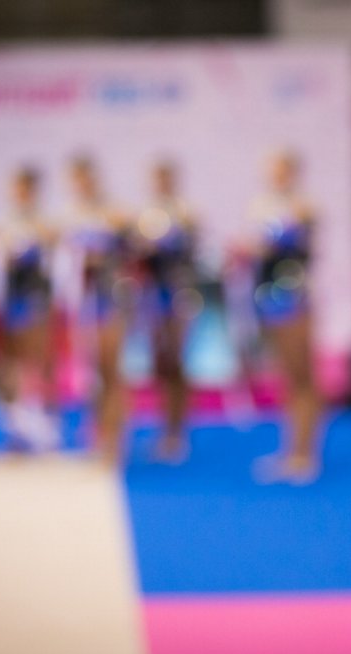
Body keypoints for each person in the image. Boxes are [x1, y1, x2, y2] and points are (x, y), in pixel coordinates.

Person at [240, 149, 324, 485]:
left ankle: (306, 453)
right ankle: (292, 449)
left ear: (293, 173)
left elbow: (287, 239)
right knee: (286, 377)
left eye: (282, 171)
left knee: (302, 374)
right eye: (272, 170)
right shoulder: (263, 206)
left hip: (293, 298)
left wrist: (260, 245)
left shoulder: (303, 207)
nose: (277, 176)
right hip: (268, 297)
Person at [57, 155, 130, 465]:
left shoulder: (112, 212)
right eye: (76, 180)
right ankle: (98, 434)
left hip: (110, 301)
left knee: (111, 372)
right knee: (92, 374)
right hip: (82, 304)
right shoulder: (68, 216)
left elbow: (126, 245)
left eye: (86, 178)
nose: (81, 185)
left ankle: (114, 441)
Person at [0, 165, 60, 452]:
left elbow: (51, 249)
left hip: (35, 301)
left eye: (22, 188)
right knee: (9, 365)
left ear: (32, 191)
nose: (17, 194)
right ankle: (16, 429)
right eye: (14, 188)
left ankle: (47, 427)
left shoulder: (44, 223)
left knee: (39, 362)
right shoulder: (4, 223)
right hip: (9, 301)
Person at [129, 160, 199, 463]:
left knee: (176, 361)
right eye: (156, 180)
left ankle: (177, 430)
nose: (160, 185)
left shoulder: (185, 212)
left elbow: (190, 246)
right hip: (153, 297)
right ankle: (164, 428)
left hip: (179, 294)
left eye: (165, 179)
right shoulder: (146, 216)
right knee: (160, 363)